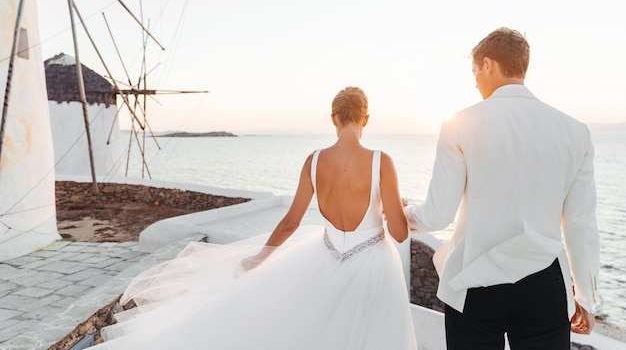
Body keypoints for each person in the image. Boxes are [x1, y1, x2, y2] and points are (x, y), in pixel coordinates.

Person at [94, 86, 418, 349]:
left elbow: (291, 222)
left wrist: (260, 258)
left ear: (333, 119)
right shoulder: (381, 162)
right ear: (366, 119)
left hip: (325, 257)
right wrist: (395, 206)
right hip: (374, 264)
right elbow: (400, 234)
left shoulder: (314, 161)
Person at [404, 27, 600, 350]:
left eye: (475, 71)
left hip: (475, 281)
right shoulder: (575, 132)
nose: (475, 81)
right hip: (544, 283)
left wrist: (404, 213)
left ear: (488, 65)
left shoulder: (458, 123)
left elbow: (438, 215)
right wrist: (587, 299)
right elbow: (580, 225)